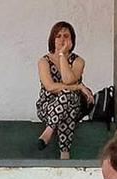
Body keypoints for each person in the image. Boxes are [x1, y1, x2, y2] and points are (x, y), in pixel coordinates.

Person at [36, 21, 94, 160]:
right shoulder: (44, 61)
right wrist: (78, 87)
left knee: (68, 97)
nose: (62, 39)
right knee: (67, 98)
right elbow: (50, 87)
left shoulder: (78, 61)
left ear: (72, 40)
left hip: (74, 107)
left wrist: (62, 55)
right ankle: (65, 152)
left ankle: (49, 130)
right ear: (52, 39)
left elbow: (68, 79)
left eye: (66, 36)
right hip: (48, 106)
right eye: (58, 36)